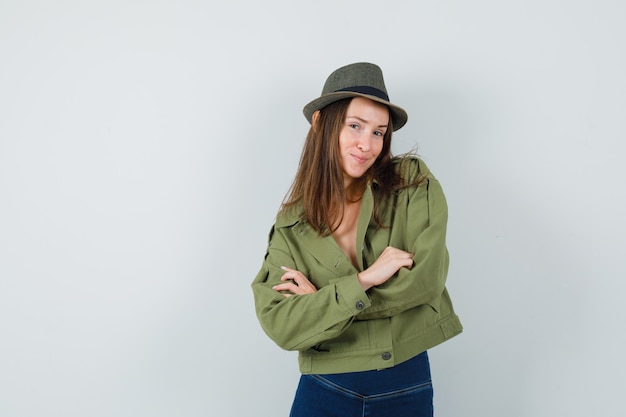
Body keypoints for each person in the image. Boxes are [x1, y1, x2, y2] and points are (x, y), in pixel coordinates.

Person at [251, 62, 462, 417]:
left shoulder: (411, 183)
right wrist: (364, 280)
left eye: (379, 132)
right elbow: (281, 324)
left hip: (405, 384)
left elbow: (426, 282)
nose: (368, 145)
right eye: (355, 126)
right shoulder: (292, 222)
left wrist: (324, 304)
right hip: (324, 388)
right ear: (321, 123)